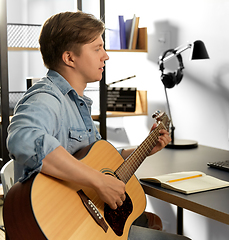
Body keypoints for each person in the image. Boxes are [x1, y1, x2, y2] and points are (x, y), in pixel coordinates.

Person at [7, 11, 190, 240]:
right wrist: (98, 181)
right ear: (69, 58)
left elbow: (100, 162)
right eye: (97, 48)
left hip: (87, 222)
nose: (106, 56)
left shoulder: (78, 103)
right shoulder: (46, 97)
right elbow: (23, 138)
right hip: (64, 225)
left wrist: (143, 149)